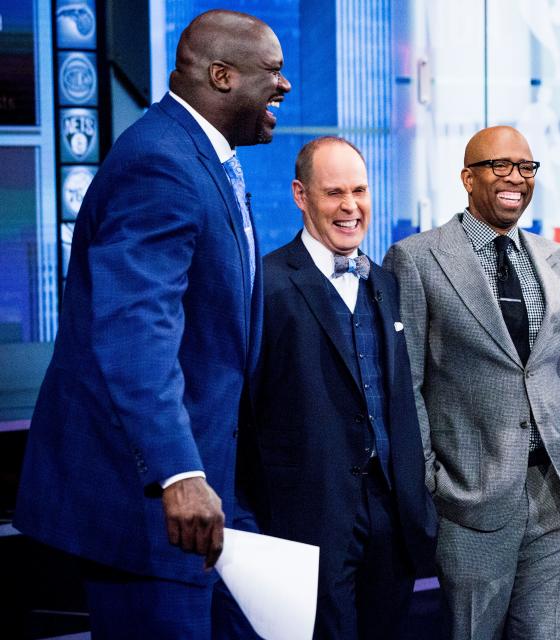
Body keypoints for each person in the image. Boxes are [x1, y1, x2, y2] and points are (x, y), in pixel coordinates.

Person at [14, 10, 291, 638]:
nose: (285, 86)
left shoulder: (199, 154)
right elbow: (135, 332)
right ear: (222, 76)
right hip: (158, 509)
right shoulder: (160, 162)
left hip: (213, 494)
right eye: (272, 72)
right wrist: (179, 473)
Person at [384, 125, 560, 640]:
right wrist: (434, 482)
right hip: (471, 497)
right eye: (500, 166)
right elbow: (409, 384)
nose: (516, 179)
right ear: (467, 177)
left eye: (526, 168)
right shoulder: (418, 259)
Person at [240, 137, 437, 639]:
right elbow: (246, 409)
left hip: (391, 515)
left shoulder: (387, 283)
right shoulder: (267, 284)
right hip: (308, 516)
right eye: (334, 193)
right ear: (300, 196)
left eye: (360, 190)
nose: (351, 207)